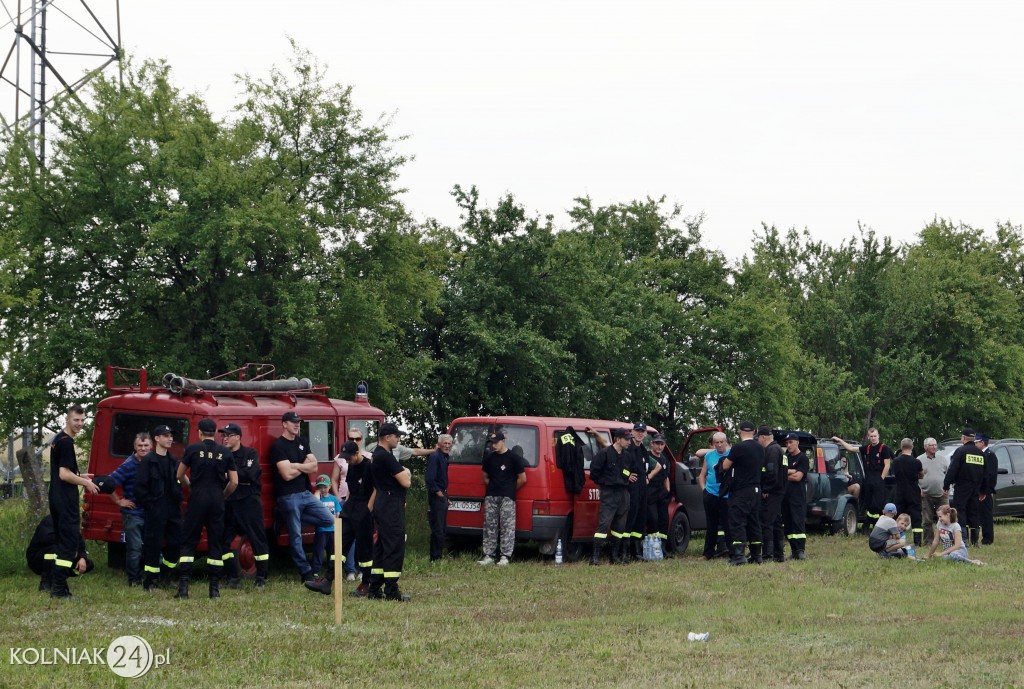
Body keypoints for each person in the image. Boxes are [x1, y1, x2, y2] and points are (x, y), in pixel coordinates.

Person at [174, 418, 238, 599]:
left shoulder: (192, 449)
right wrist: (222, 495)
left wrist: (190, 486)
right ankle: (214, 590)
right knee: (216, 542)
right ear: (215, 432)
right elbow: (234, 482)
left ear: (199, 432)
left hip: (197, 498)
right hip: (217, 499)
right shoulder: (225, 452)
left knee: (189, 541)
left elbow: (179, 475)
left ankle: (184, 589)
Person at [271, 411, 334, 584]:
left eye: (298, 422)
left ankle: (285, 516)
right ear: (284, 424)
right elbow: (286, 475)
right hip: (288, 496)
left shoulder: (302, 442)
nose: (297, 424)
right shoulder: (278, 446)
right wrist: (303, 466)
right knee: (296, 535)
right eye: (293, 422)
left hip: (305, 493)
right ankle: (305, 572)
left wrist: (295, 465)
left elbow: (314, 467)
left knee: (328, 519)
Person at [306, 441, 375, 597]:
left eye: (348, 457)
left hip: (364, 511)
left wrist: (368, 510)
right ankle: (327, 581)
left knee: (364, 550)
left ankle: (367, 583)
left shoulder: (369, 466)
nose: (346, 461)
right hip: (350, 509)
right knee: (338, 544)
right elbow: (351, 489)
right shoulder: (350, 466)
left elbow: (376, 490)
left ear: (357, 453)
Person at [46, 404, 98, 598]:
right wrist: (85, 482)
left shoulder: (57, 439)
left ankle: (53, 584)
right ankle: (58, 589)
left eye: (83, 420)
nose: (80, 424)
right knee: (68, 544)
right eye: (76, 420)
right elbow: (64, 474)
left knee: (61, 541)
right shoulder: (66, 442)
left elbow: (65, 471)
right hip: (65, 499)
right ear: (67, 419)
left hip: (56, 497)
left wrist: (80, 474)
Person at [219, 422, 270, 589]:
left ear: (238, 437)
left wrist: (229, 474)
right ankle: (232, 577)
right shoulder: (222, 455)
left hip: (249, 502)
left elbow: (250, 474)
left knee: (257, 539)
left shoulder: (250, 453)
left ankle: (261, 577)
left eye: (228, 435)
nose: (224, 438)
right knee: (224, 542)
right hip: (230, 503)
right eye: (223, 435)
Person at [367, 422, 413, 601]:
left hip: (382, 503)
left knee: (381, 547)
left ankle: (374, 588)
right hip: (390, 505)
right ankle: (392, 591)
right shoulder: (386, 457)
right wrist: (406, 471)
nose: (398, 439)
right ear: (387, 437)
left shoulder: (376, 455)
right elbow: (406, 482)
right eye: (396, 436)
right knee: (394, 545)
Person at [136, 424, 184, 591]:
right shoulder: (148, 461)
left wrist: (178, 498)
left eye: (171, 435)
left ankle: (166, 575)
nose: (170, 438)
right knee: (153, 545)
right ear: (156, 439)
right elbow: (140, 488)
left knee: (176, 544)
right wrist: (151, 505)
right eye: (166, 435)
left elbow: (177, 484)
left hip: (173, 511)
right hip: (155, 511)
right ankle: (150, 581)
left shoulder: (173, 460)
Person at [108, 432, 151, 586]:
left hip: (150, 513)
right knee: (135, 549)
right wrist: (119, 501)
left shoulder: (154, 462)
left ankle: (153, 578)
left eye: (146, 445)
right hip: (133, 514)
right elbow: (108, 483)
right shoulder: (128, 465)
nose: (143, 448)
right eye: (140, 445)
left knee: (153, 547)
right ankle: (133, 580)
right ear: (134, 447)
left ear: (151, 446)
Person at [478, 431, 527, 566]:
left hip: (507, 497)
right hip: (491, 496)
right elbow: (484, 477)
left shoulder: (513, 458)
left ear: (503, 441)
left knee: (507, 527)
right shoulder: (489, 458)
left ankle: (505, 556)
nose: (494, 445)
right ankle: (489, 555)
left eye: (496, 442)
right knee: (490, 526)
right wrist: (495, 487)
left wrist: (509, 488)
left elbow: (522, 479)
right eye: (492, 443)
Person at [719, 421, 764, 566]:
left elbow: (725, 466)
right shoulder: (760, 448)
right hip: (756, 490)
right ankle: (757, 555)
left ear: (739, 431)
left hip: (741, 491)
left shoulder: (738, 448)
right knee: (754, 522)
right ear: (755, 431)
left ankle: (739, 555)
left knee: (737, 522)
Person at [833, 428, 891, 533]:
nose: (873, 438)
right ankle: (867, 525)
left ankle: (873, 526)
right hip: (868, 480)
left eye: (875, 436)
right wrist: (839, 440)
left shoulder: (884, 448)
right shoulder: (867, 448)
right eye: (871, 436)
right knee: (869, 504)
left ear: (878, 436)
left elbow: (887, 465)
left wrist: (881, 479)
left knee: (877, 505)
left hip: (878, 480)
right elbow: (851, 448)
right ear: (868, 437)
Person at [589, 427, 633, 565]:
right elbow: (594, 473)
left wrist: (627, 477)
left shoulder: (627, 456)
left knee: (620, 527)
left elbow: (627, 472)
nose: (629, 442)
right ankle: (595, 558)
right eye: (626, 439)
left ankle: (614, 556)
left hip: (623, 493)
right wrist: (605, 483)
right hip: (609, 492)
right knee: (604, 524)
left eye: (629, 440)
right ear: (618, 439)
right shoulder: (605, 453)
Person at [27, 514, 94, 592]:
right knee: (55, 550)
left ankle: (60, 577)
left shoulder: (71, 523)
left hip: (63, 553)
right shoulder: (50, 519)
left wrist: (82, 557)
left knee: (88, 564)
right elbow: (47, 539)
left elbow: (80, 544)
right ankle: (45, 582)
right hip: (38, 558)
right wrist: (70, 549)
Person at [943, 427, 987, 547]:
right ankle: (975, 541)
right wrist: (983, 490)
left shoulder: (961, 451)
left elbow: (953, 469)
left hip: (962, 487)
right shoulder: (981, 454)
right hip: (976, 488)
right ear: (974, 439)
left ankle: (964, 540)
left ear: (963, 438)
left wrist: (946, 484)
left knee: (960, 511)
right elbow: (985, 474)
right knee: (974, 512)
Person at [696, 433, 731, 560]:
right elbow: (702, 475)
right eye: (716, 442)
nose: (719, 445)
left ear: (727, 442)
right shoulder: (709, 456)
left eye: (722, 442)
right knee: (711, 525)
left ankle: (732, 552)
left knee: (728, 524)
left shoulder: (733, 453)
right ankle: (708, 553)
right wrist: (704, 490)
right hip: (711, 494)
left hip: (727, 495)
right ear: (713, 444)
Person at [756, 427, 786, 563]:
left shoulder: (772, 450)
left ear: (763, 437)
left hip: (772, 492)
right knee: (776, 522)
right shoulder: (779, 449)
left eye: (758, 439)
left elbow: (771, 472)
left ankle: (768, 554)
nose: (758, 441)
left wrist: (766, 489)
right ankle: (779, 554)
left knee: (767, 522)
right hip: (778, 491)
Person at [624, 422, 649, 561]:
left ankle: (636, 551)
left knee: (640, 518)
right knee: (630, 518)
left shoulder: (643, 450)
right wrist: (627, 475)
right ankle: (625, 551)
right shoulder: (628, 449)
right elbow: (620, 465)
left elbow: (646, 468)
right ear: (632, 432)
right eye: (637, 431)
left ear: (645, 434)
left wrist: (647, 477)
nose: (640, 433)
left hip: (642, 489)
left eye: (642, 431)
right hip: (631, 488)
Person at [781, 433, 809, 560]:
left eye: (790, 442)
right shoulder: (785, 457)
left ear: (797, 442)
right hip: (785, 496)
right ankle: (793, 551)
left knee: (798, 522)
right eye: (787, 443)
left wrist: (786, 474)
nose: (788, 445)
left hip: (797, 496)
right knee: (788, 523)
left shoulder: (803, 458)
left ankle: (800, 551)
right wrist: (792, 471)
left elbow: (798, 477)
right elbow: (779, 473)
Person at [425, 433, 452, 562]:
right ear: (439, 444)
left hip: (442, 493)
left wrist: (446, 496)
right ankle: (435, 557)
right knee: (437, 527)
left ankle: (439, 555)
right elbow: (430, 478)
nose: (447, 446)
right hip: (436, 495)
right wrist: (438, 493)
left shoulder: (445, 457)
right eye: (445, 443)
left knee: (442, 527)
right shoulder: (435, 456)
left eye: (449, 443)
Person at [892, 438, 924, 546]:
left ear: (901, 448)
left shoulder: (896, 461)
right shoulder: (917, 462)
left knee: (896, 515)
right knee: (916, 517)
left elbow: (894, 474)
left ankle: (894, 537)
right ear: (912, 447)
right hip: (913, 492)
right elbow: (921, 475)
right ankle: (918, 542)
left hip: (900, 491)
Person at [917, 437, 949, 544]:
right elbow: (914, 477)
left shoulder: (943, 459)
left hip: (942, 494)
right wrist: (919, 489)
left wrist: (948, 487)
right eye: (932, 445)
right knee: (927, 520)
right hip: (926, 494)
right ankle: (928, 541)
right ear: (925, 447)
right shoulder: (919, 460)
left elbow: (948, 475)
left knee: (946, 518)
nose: (934, 447)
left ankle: (947, 539)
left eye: (935, 445)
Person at [646, 433, 672, 557]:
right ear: (652, 443)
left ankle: (663, 549)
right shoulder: (647, 457)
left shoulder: (664, 459)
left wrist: (667, 491)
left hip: (662, 495)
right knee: (653, 519)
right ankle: (652, 549)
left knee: (664, 520)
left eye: (662, 444)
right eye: (657, 443)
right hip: (650, 494)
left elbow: (666, 477)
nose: (659, 447)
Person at [311, 475, 342, 577]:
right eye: (320, 488)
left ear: (329, 486)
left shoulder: (333, 498)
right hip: (321, 530)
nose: (323, 490)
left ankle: (331, 570)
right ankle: (316, 571)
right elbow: (314, 508)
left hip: (333, 529)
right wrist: (317, 494)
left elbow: (338, 513)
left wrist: (337, 527)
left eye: (325, 487)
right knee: (318, 551)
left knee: (332, 551)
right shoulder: (317, 499)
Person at [975, 433, 998, 545]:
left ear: (982, 443)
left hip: (986, 491)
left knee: (986, 515)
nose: (975, 444)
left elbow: (991, 475)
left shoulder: (990, 455)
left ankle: (988, 538)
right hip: (978, 490)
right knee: (979, 515)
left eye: (976, 442)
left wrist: (985, 490)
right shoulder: (979, 455)